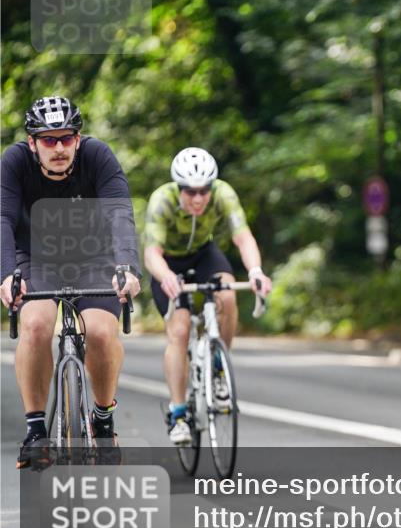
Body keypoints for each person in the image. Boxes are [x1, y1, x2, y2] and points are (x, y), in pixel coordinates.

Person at [1, 96, 141, 470]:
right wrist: (5, 275)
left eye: (66, 138)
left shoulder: (98, 156)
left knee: (99, 332)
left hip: (94, 258)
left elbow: (120, 215)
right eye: (48, 140)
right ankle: (35, 431)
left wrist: (127, 268)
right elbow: (2, 219)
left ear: (78, 139)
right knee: (34, 325)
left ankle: (103, 419)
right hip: (36, 259)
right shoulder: (13, 163)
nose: (59, 147)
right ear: (32, 143)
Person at [144, 147, 272, 446]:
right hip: (169, 264)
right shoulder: (162, 200)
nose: (199, 198)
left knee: (227, 295)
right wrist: (165, 277)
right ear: (179, 188)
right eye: (191, 192)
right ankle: (178, 414)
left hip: (203, 255)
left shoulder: (223, 194)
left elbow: (243, 237)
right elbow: (152, 252)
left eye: (204, 191)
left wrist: (255, 270)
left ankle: (218, 367)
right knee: (180, 329)